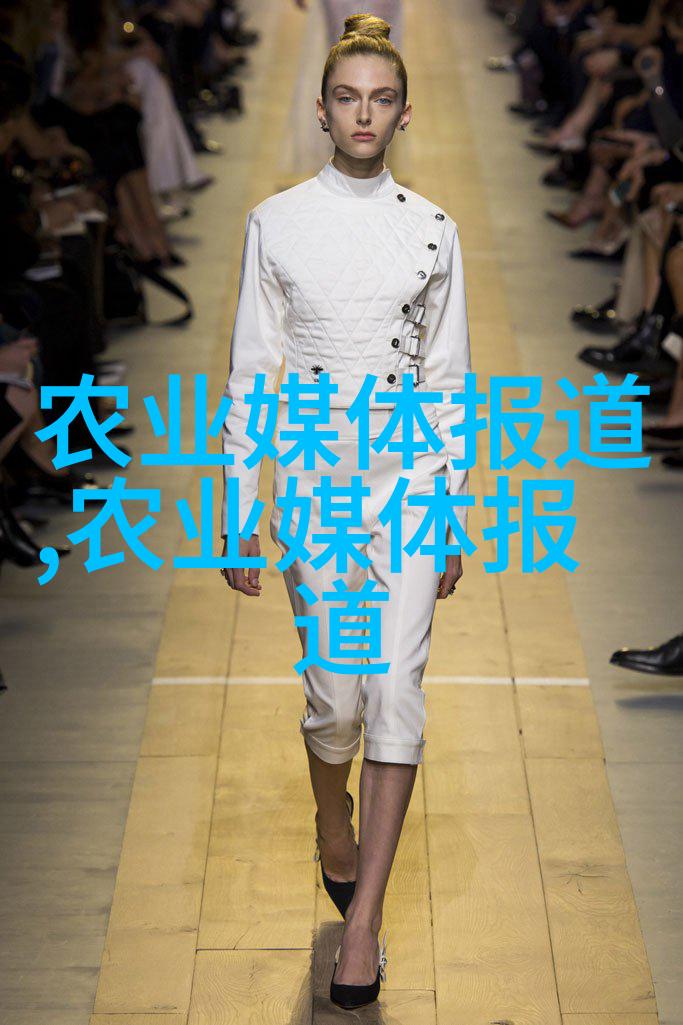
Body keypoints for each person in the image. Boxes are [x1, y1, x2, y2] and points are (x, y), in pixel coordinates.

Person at [218, 13, 472, 1010]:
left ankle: (361, 923)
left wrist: (450, 509)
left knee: (395, 688)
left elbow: (447, 377)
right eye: (345, 97)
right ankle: (333, 817)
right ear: (322, 109)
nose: (363, 113)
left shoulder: (433, 225)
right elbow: (251, 370)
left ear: (402, 112)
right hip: (316, 473)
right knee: (333, 699)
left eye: (380, 98)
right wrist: (238, 505)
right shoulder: (276, 220)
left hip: (408, 476)